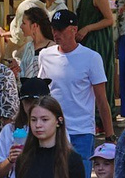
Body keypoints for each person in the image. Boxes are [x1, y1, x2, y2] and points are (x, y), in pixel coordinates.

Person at [36, 9, 113, 162]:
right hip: (53, 131)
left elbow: (102, 100)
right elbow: (42, 95)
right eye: (53, 29)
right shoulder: (45, 55)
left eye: (60, 29)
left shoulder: (92, 58)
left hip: (81, 132)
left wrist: (110, 136)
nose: (56, 33)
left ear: (74, 30)